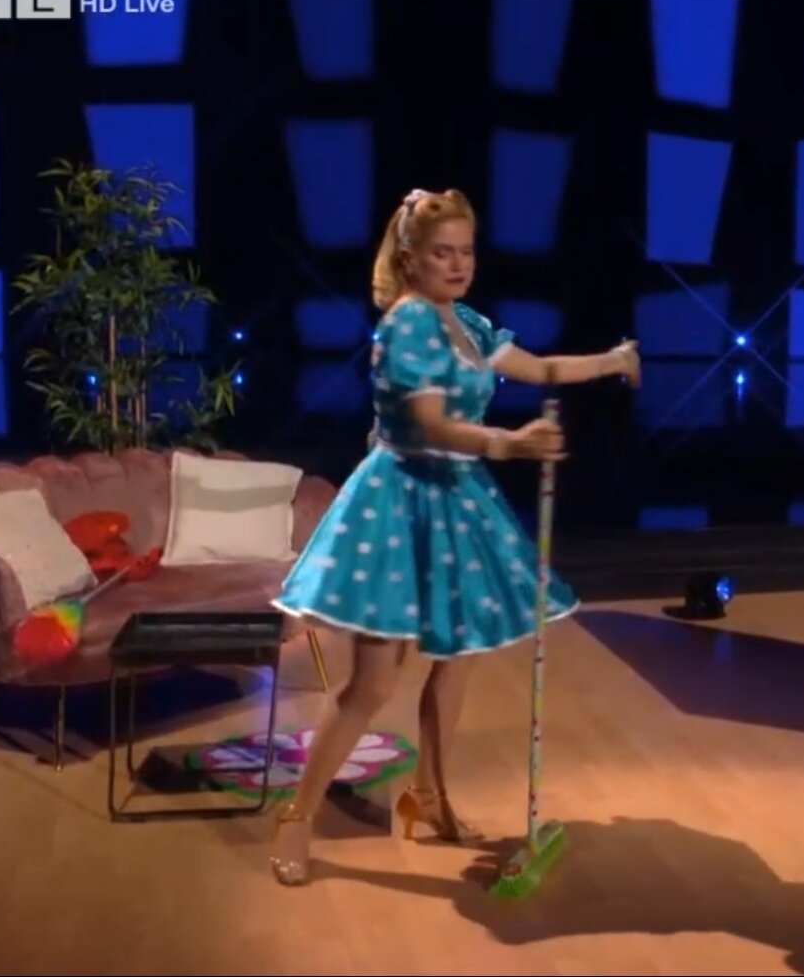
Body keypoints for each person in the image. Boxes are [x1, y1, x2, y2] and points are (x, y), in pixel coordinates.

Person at [268, 188, 640, 885]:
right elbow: (432, 424)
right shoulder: (407, 325)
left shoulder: (462, 321)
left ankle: (430, 796)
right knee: (372, 684)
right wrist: (511, 444)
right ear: (410, 258)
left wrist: (611, 361)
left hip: (455, 502)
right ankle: (297, 816)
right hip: (399, 503)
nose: (459, 263)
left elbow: (539, 368)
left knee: (457, 660)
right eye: (443, 252)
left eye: (466, 251)